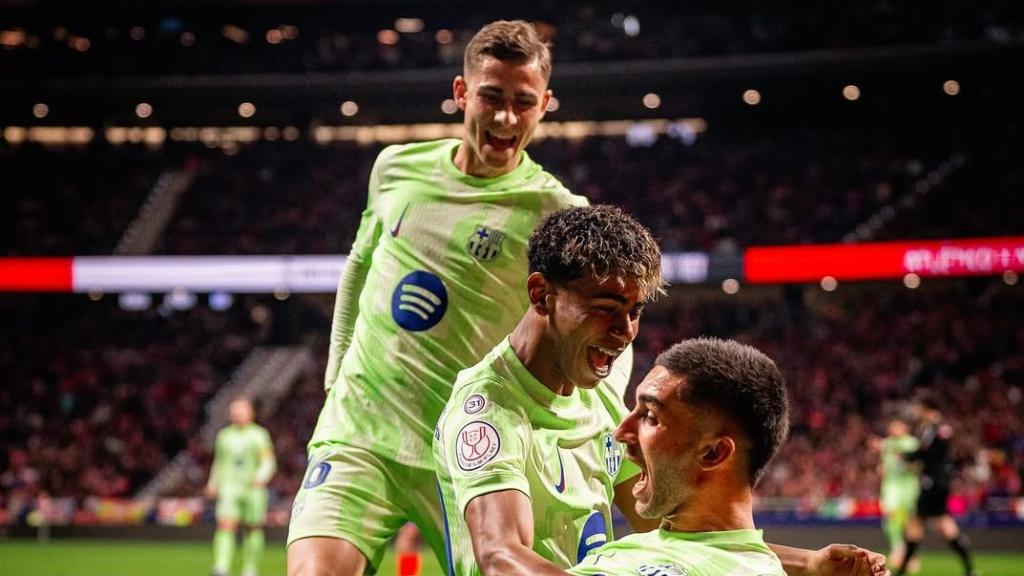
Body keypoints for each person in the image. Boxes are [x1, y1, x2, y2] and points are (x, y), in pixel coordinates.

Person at [287, 20, 592, 576]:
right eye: (490, 97)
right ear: (461, 93)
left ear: (545, 105)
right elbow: (359, 268)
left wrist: (602, 423)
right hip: (361, 434)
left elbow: (594, 327)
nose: (505, 117)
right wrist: (335, 381)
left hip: (466, 448)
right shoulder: (395, 169)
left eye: (523, 102)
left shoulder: (557, 212)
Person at [434, 206, 888, 576]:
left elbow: (668, 523)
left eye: (635, 311)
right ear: (541, 295)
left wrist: (803, 563)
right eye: (606, 308)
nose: (625, 331)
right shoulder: (487, 413)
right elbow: (500, 558)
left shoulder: (598, 392)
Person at [571, 338, 887, 576]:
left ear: (714, 452)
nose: (621, 431)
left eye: (651, 417)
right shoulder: (643, 548)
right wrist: (805, 562)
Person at [896, 393, 976, 576]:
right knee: (944, 524)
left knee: (916, 524)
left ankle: (900, 571)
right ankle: (970, 569)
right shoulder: (943, 427)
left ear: (925, 407)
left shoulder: (930, 429)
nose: (916, 411)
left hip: (930, 483)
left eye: (918, 407)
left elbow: (925, 453)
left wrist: (906, 456)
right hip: (941, 482)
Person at [206, 397, 276, 576]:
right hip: (229, 488)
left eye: (241, 409)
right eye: (234, 410)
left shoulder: (259, 435)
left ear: (250, 412)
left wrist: (261, 476)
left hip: (253, 489)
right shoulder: (224, 435)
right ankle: (221, 567)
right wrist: (213, 483)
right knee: (225, 526)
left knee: (252, 528)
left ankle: (250, 569)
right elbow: (219, 463)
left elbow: (268, 461)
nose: (237, 413)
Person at [875, 414, 920, 570]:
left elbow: (916, 465)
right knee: (890, 517)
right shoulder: (887, 443)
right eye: (892, 426)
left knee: (909, 521)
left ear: (905, 427)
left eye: (897, 425)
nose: (893, 429)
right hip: (891, 486)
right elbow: (885, 464)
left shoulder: (912, 443)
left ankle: (910, 555)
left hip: (908, 486)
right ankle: (898, 549)